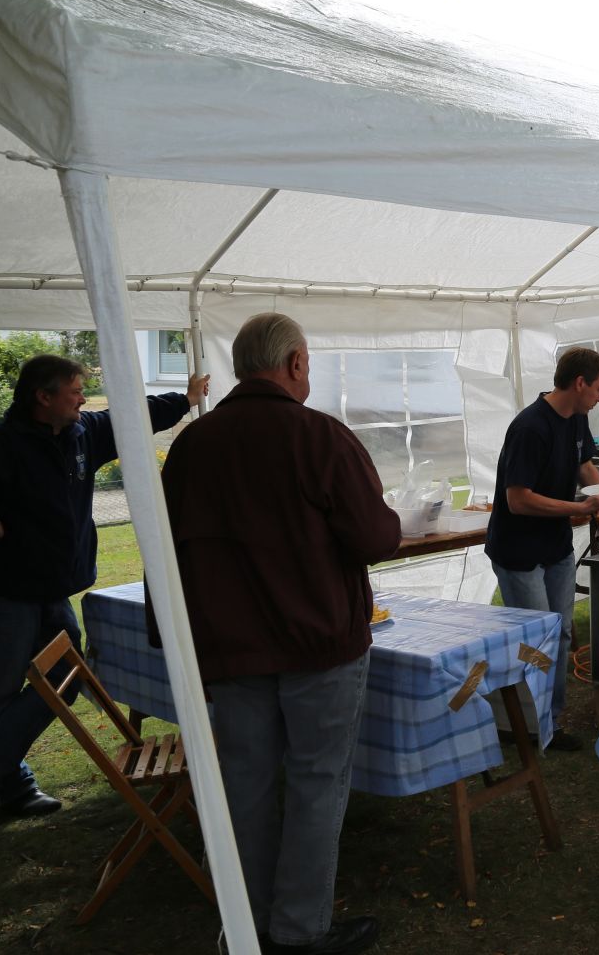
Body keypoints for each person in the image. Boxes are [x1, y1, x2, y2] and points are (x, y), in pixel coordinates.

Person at [161, 313, 396, 955]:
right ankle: (297, 930)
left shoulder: (191, 445)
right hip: (317, 644)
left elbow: (165, 551)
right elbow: (376, 537)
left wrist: (174, 640)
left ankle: (249, 927)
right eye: (309, 363)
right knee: (318, 783)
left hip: (231, 650)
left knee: (248, 785)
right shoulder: (319, 437)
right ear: (294, 364)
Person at [0, 355, 205, 833]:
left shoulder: (82, 434)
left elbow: (132, 417)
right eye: (74, 390)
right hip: (0, 593)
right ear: (43, 397)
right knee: (1, 691)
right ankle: (10, 785)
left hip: (52, 589)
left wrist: (185, 399)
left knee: (67, 680)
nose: (82, 397)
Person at [486, 346, 599, 747]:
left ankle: (549, 724)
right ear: (579, 383)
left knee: (561, 636)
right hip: (518, 551)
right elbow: (518, 499)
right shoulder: (530, 428)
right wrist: (580, 506)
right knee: (535, 642)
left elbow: (584, 466)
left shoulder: (576, 418)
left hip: (555, 547)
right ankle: (526, 728)